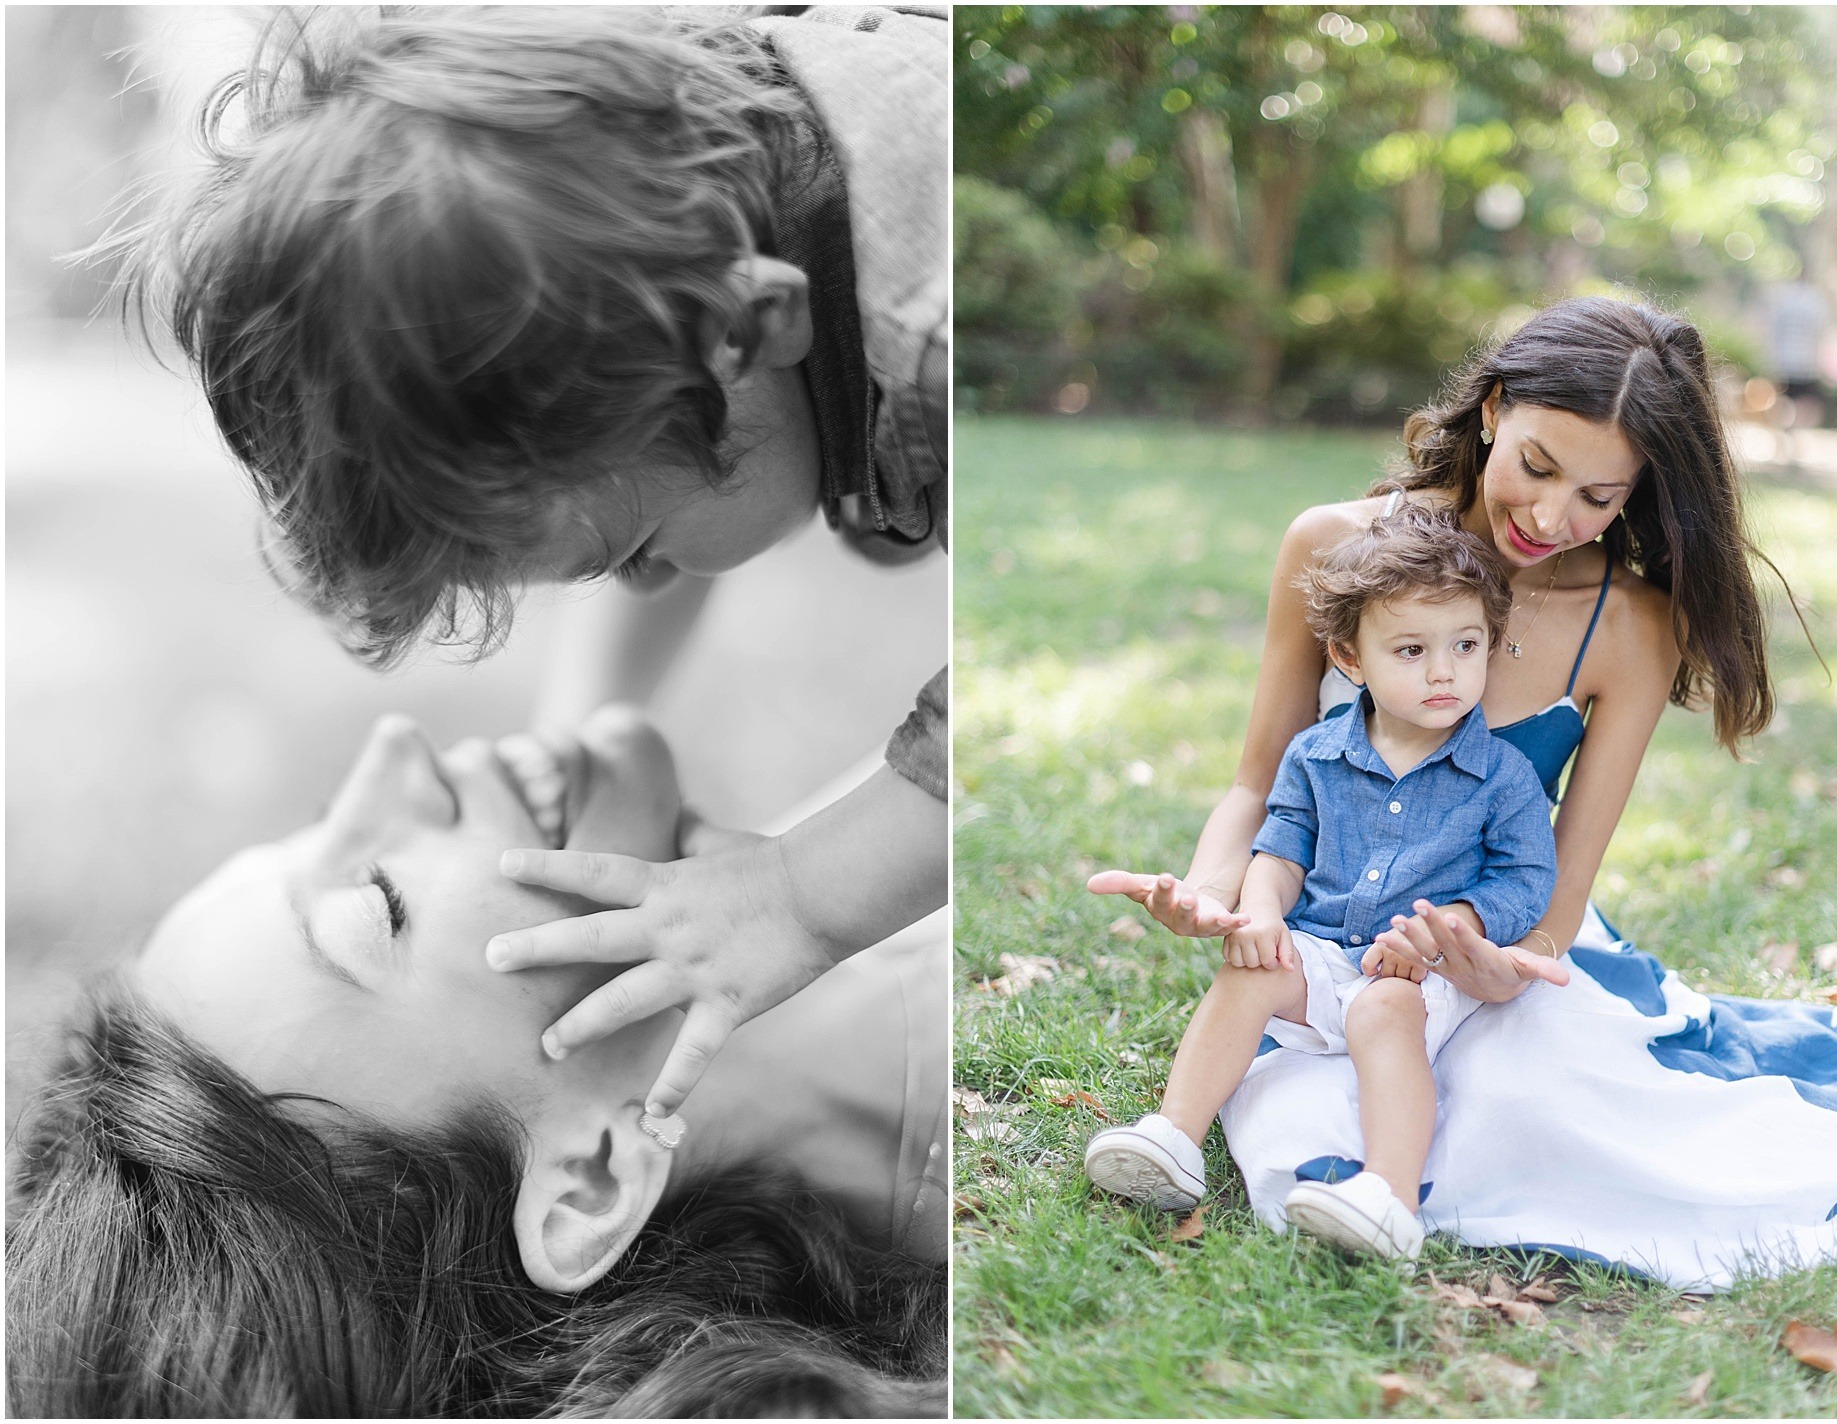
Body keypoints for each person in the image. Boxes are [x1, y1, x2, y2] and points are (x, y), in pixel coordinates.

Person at [124, 4, 948, 1125]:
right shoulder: (685, 204)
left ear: (748, 327)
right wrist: (582, 720)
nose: (654, 580)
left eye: (634, 551)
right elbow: (681, 439)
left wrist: (802, 894)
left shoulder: (940, 330)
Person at [1090, 297, 1837, 1289]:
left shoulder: (1630, 625)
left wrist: (1497, 963)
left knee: (1539, 1121)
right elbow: (1261, 779)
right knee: (1295, 1115)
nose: (1552, 519)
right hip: (1329, 926)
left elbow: (1557, 893)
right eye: (1538, 466)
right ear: (1492, 410)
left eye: (1599, 497)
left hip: (1498, 940)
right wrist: (1216, 895)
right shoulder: (1331, 544)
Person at [5, 706, 947, 1417]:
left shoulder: (785, 889)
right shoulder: (836, 888)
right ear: (589, 1179)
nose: (399, 754)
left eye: (330, 816)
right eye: (380, 902)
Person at [1085, 508, 1557, 1262]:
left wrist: (1451, 927)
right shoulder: (1315, 755)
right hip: (1322, 953)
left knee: (1383, 1011)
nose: (1445, 671)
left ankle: (1388, 1197)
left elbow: (1525, 877)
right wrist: (1262, 911)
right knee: (1251, 972)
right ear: (1350, 657)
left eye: (1466, 646)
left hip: (1420, 969)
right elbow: (1282, 845)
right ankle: (1174, 1137)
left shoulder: (1502, 777)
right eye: (1411, 649)